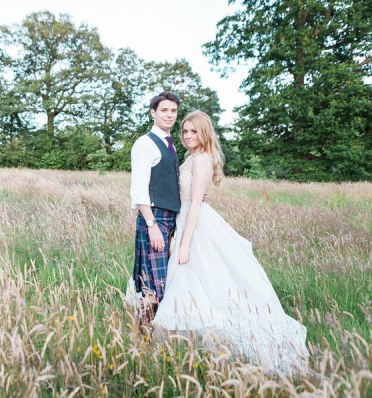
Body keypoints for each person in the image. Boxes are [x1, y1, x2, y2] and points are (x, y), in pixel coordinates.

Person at [152, 110, 309, 373]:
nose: (188, 136)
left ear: (204, 133)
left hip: (196, 225)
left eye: (194, 131)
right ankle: (191, 350)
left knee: (203, 281)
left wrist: (185, 243)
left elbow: (196, 206)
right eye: (185, 131)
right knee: (194, 285)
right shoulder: (191, 157)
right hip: (186, 220)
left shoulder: (202, 159)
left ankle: (226, 345)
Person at [129, 91, 182, 336]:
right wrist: (152, 225)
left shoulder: (171, 145)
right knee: (153, 285)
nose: (169, 115)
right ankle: (142, 339)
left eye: (173, 111)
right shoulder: (145, 144)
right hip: (155, 219)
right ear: (153, 112)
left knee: (168, 283)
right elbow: (139, 190)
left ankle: (154, 338)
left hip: (171, 221)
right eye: (164, 110)